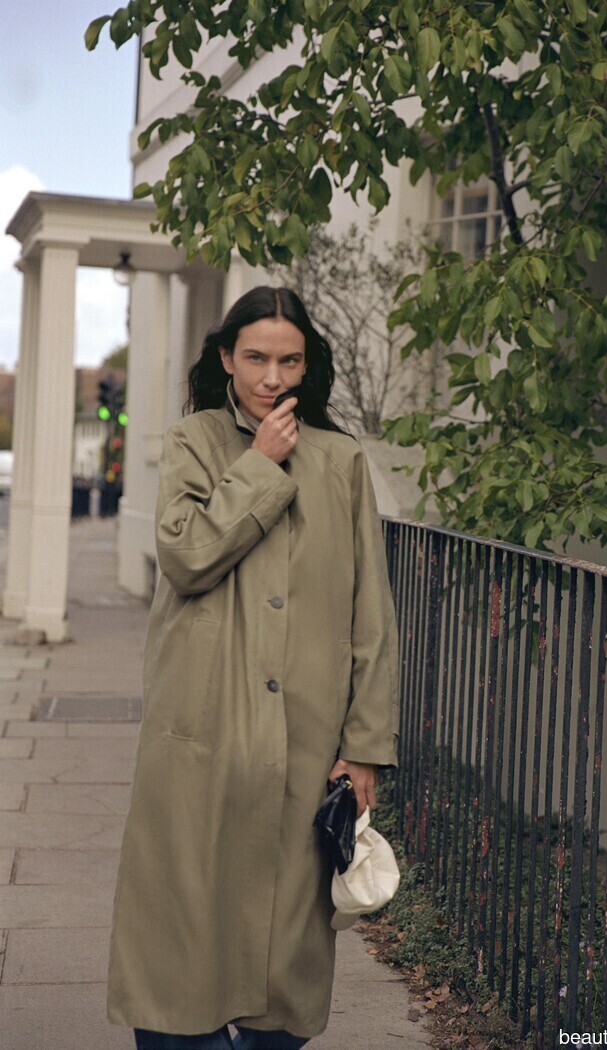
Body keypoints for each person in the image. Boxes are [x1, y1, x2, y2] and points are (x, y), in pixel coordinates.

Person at [107, 286, 400, 1049]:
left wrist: (365, 744)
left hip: (305, 741)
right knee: (177, 949)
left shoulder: (340, 460)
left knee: (289, 968)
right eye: (257, 358)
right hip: (199, 733)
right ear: (227, 359)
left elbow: (371, 612)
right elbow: (185, 556)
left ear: (308, 365)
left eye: (289, 360)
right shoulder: (194, 442)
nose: (273, 377)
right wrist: (261, 465)